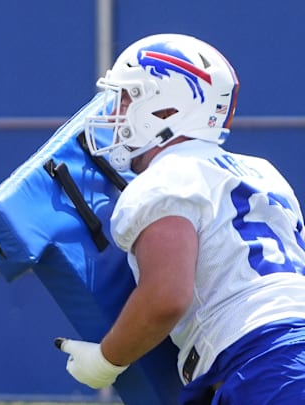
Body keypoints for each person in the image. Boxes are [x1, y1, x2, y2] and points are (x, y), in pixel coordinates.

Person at [54, 33, 305, 403]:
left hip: (267, 362)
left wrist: (107, 360)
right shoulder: (262, 172)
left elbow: (167, 295)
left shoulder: (166, 178)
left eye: (126, 98)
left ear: (167, 109)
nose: (114, 114)